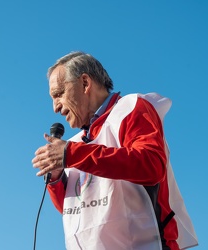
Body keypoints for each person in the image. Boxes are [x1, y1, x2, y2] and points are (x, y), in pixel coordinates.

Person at [32, 51, 198, 250]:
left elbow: (151, 165)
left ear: (85, 83)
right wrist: (57, 179)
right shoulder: (75, 144)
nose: (55, 107)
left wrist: (72, 155)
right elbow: (76, 209)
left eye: (58, 94)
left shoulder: (131, 107)